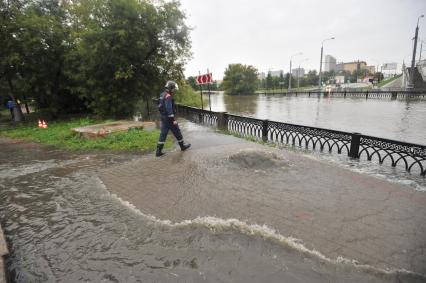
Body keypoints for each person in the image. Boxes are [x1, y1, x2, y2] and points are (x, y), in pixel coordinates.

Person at [156, 81, 191, 157]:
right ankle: (182, 146)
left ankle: (158, 151)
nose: (174, 90)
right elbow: (169, 109)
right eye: (173, 89)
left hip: (163, 118)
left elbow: (160, 106)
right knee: (177, 131)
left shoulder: (162, 94)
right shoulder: (168, 96)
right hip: (169, 119)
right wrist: (173, 120)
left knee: (163, 134)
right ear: (170, 88)